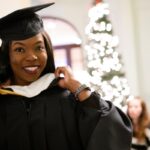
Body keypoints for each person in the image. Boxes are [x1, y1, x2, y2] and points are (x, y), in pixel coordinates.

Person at [0, 2, 132, 150]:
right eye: (19, 49)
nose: (32, 57)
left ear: (48, 50)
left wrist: (79, 88)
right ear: (7, 56)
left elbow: (112, 130)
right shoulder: (3, 101)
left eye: (39, 48)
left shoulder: (66, 98)